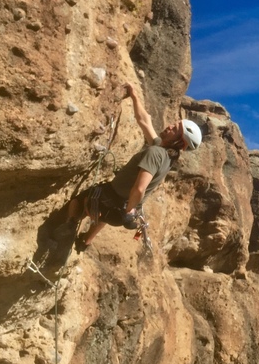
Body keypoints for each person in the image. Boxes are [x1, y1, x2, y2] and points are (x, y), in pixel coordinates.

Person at [66, 82, 202, 251]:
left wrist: (128, 211)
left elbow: (139, 189)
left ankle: (68, 229)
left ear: (179, 141)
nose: (169, 126)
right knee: (104, 217)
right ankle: (85, 242)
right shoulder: (165, 154)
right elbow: (145, 122)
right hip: (118, 209)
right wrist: (134, 96)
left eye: (175, 129)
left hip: (115, 202)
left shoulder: (155, 153)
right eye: (174, 124)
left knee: (78, 201)